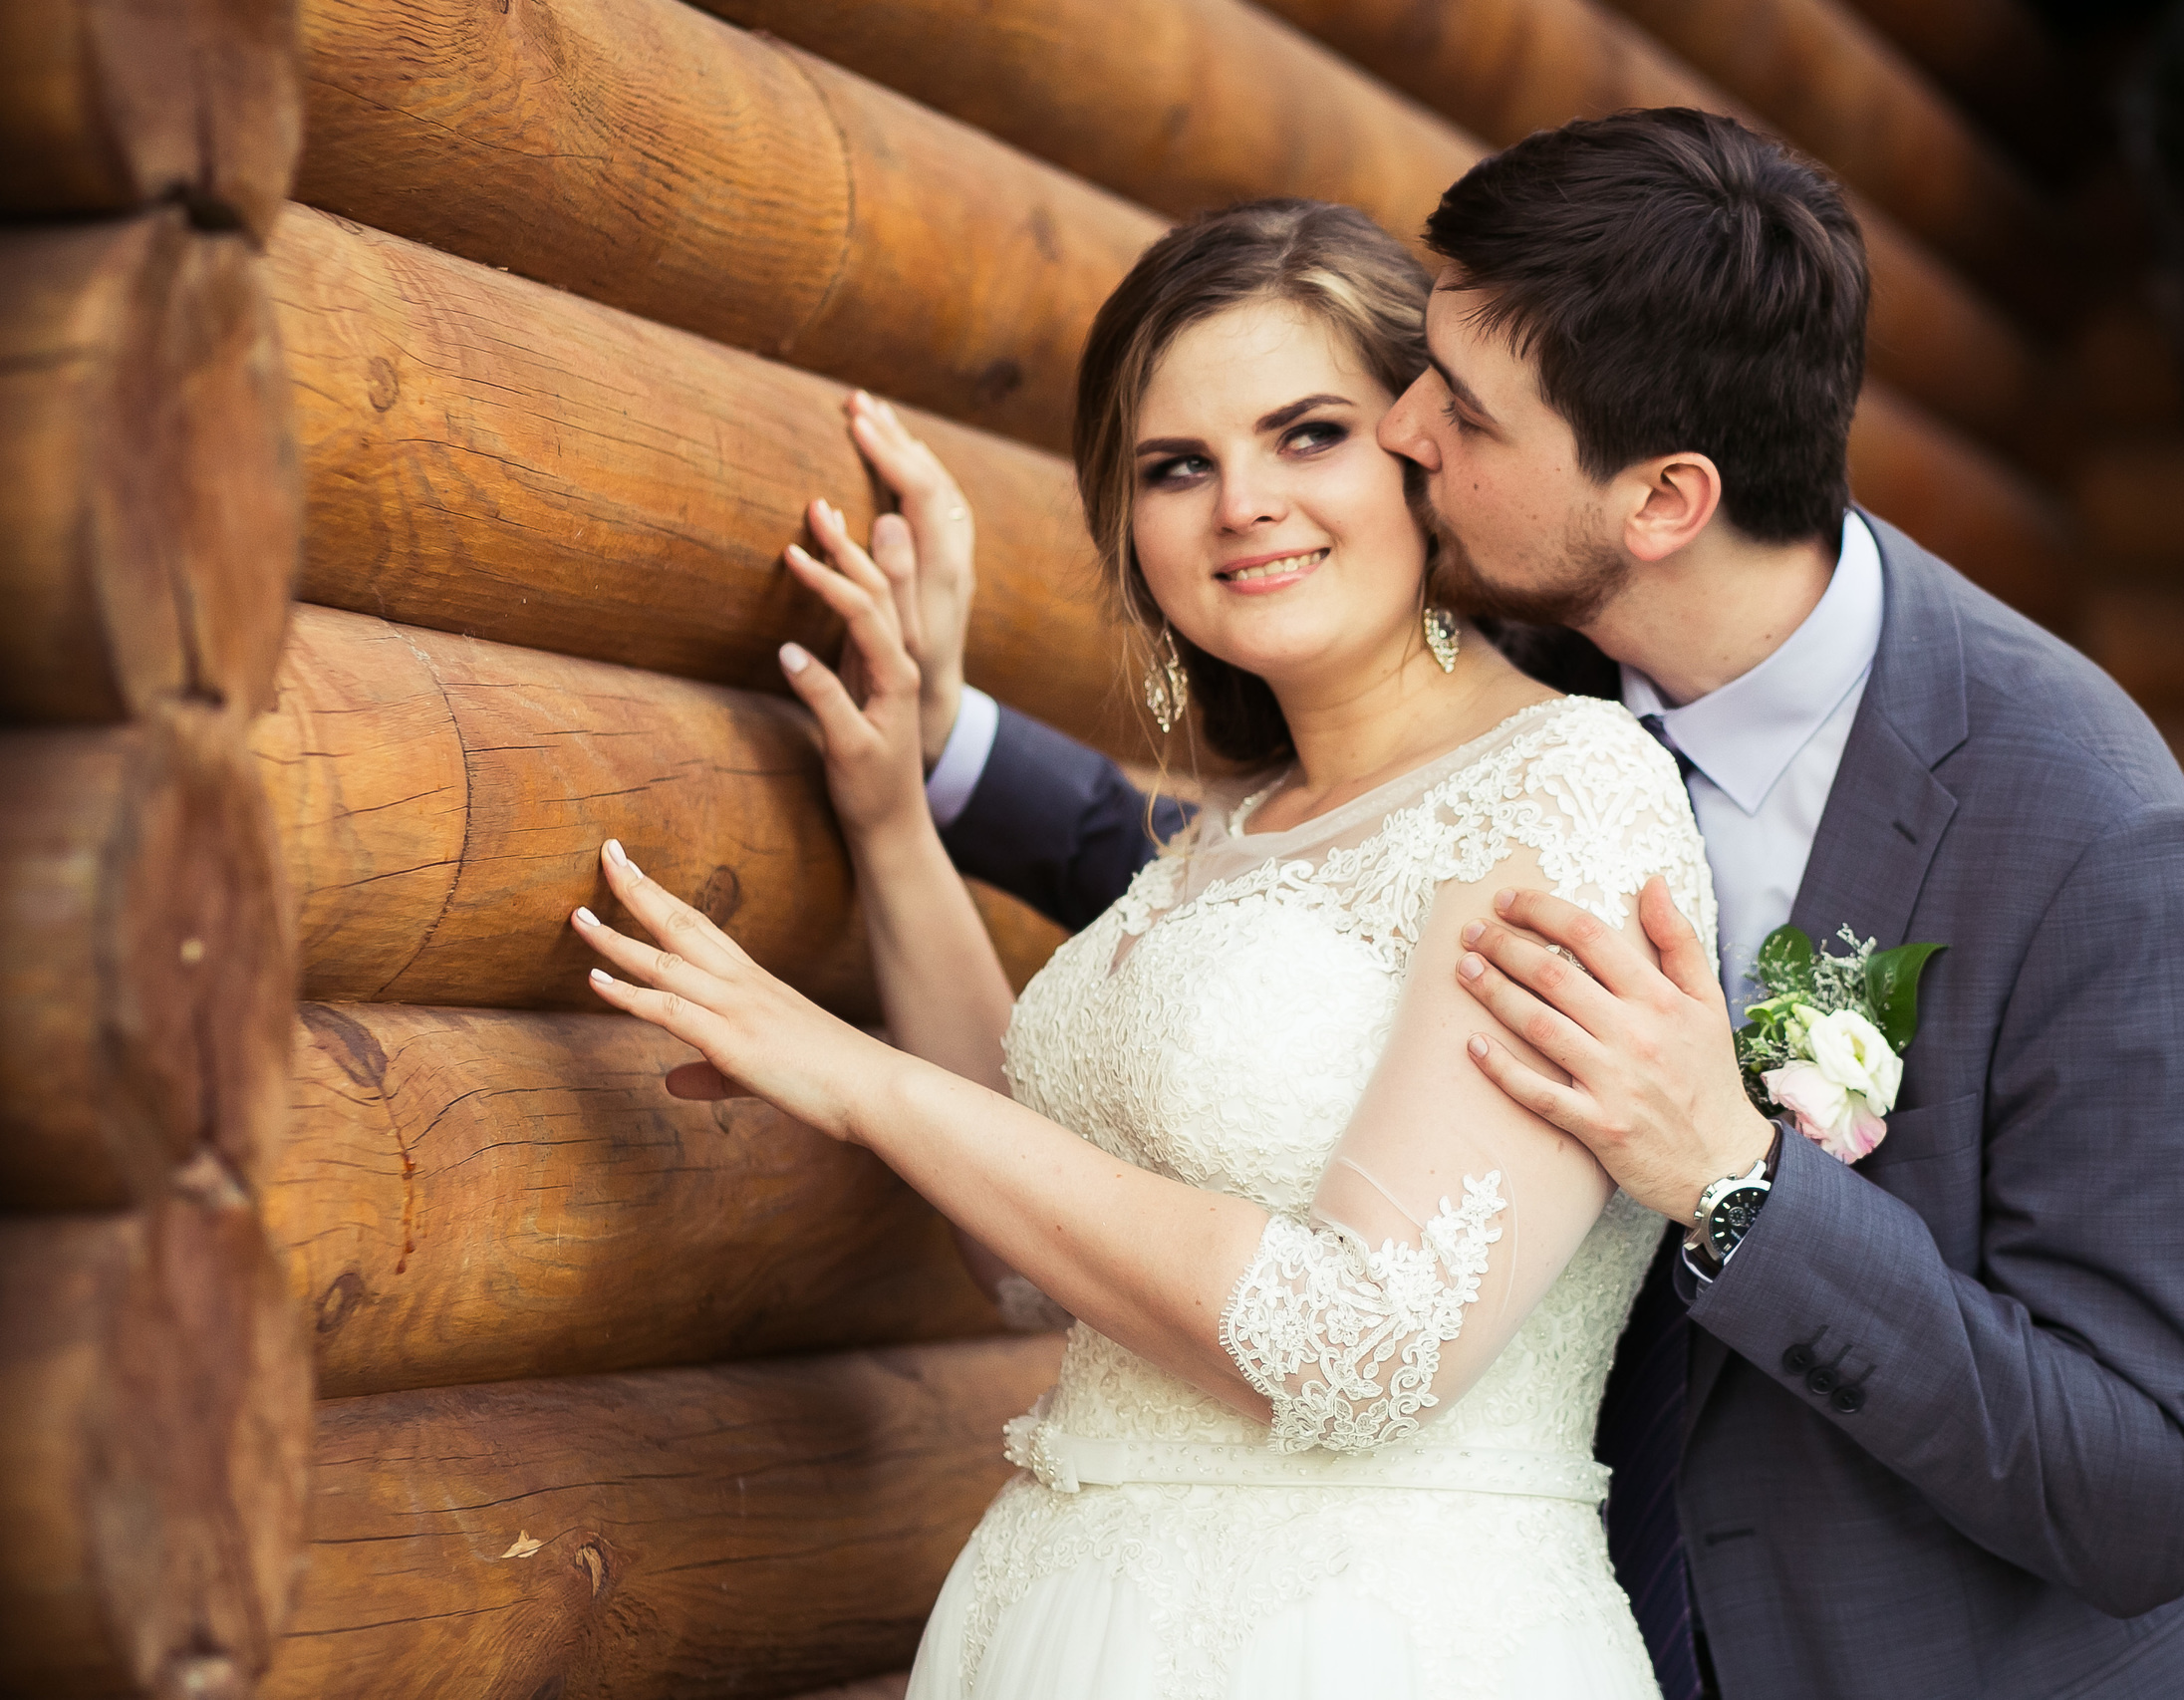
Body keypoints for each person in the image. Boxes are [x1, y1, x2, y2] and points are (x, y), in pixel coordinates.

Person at [914, 113, 2184, 1698]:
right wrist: (937, 756)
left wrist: (1737, 1176)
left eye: (1463, 413)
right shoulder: (1543, 646)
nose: (1406, 430)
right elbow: (1289, 922)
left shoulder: (2081, 825)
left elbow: (2146, 1487)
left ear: (1662, 500)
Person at [572, 198, 1712, 1697]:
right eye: (1179, 465)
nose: (1242, 501)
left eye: (1308, 434)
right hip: (1059, 1624)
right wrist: (893, 822)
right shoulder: (1232, 834)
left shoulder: (1565, 788)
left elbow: (1363, 1343)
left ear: (1430, 448)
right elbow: (1027, 1254)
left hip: (1377, 1640)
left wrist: (858, 1080)